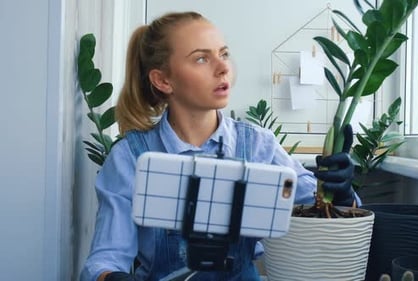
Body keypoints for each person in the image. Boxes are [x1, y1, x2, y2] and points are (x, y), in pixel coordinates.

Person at [80, 11, 358, 281]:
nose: (223, 67)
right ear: (163, 80)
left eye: (223, 53)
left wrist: (342, 195)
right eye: (201, 58)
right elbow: (103, 262)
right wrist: (111, 277)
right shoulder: (129, 158)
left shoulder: (259, 145)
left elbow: (324, 212)